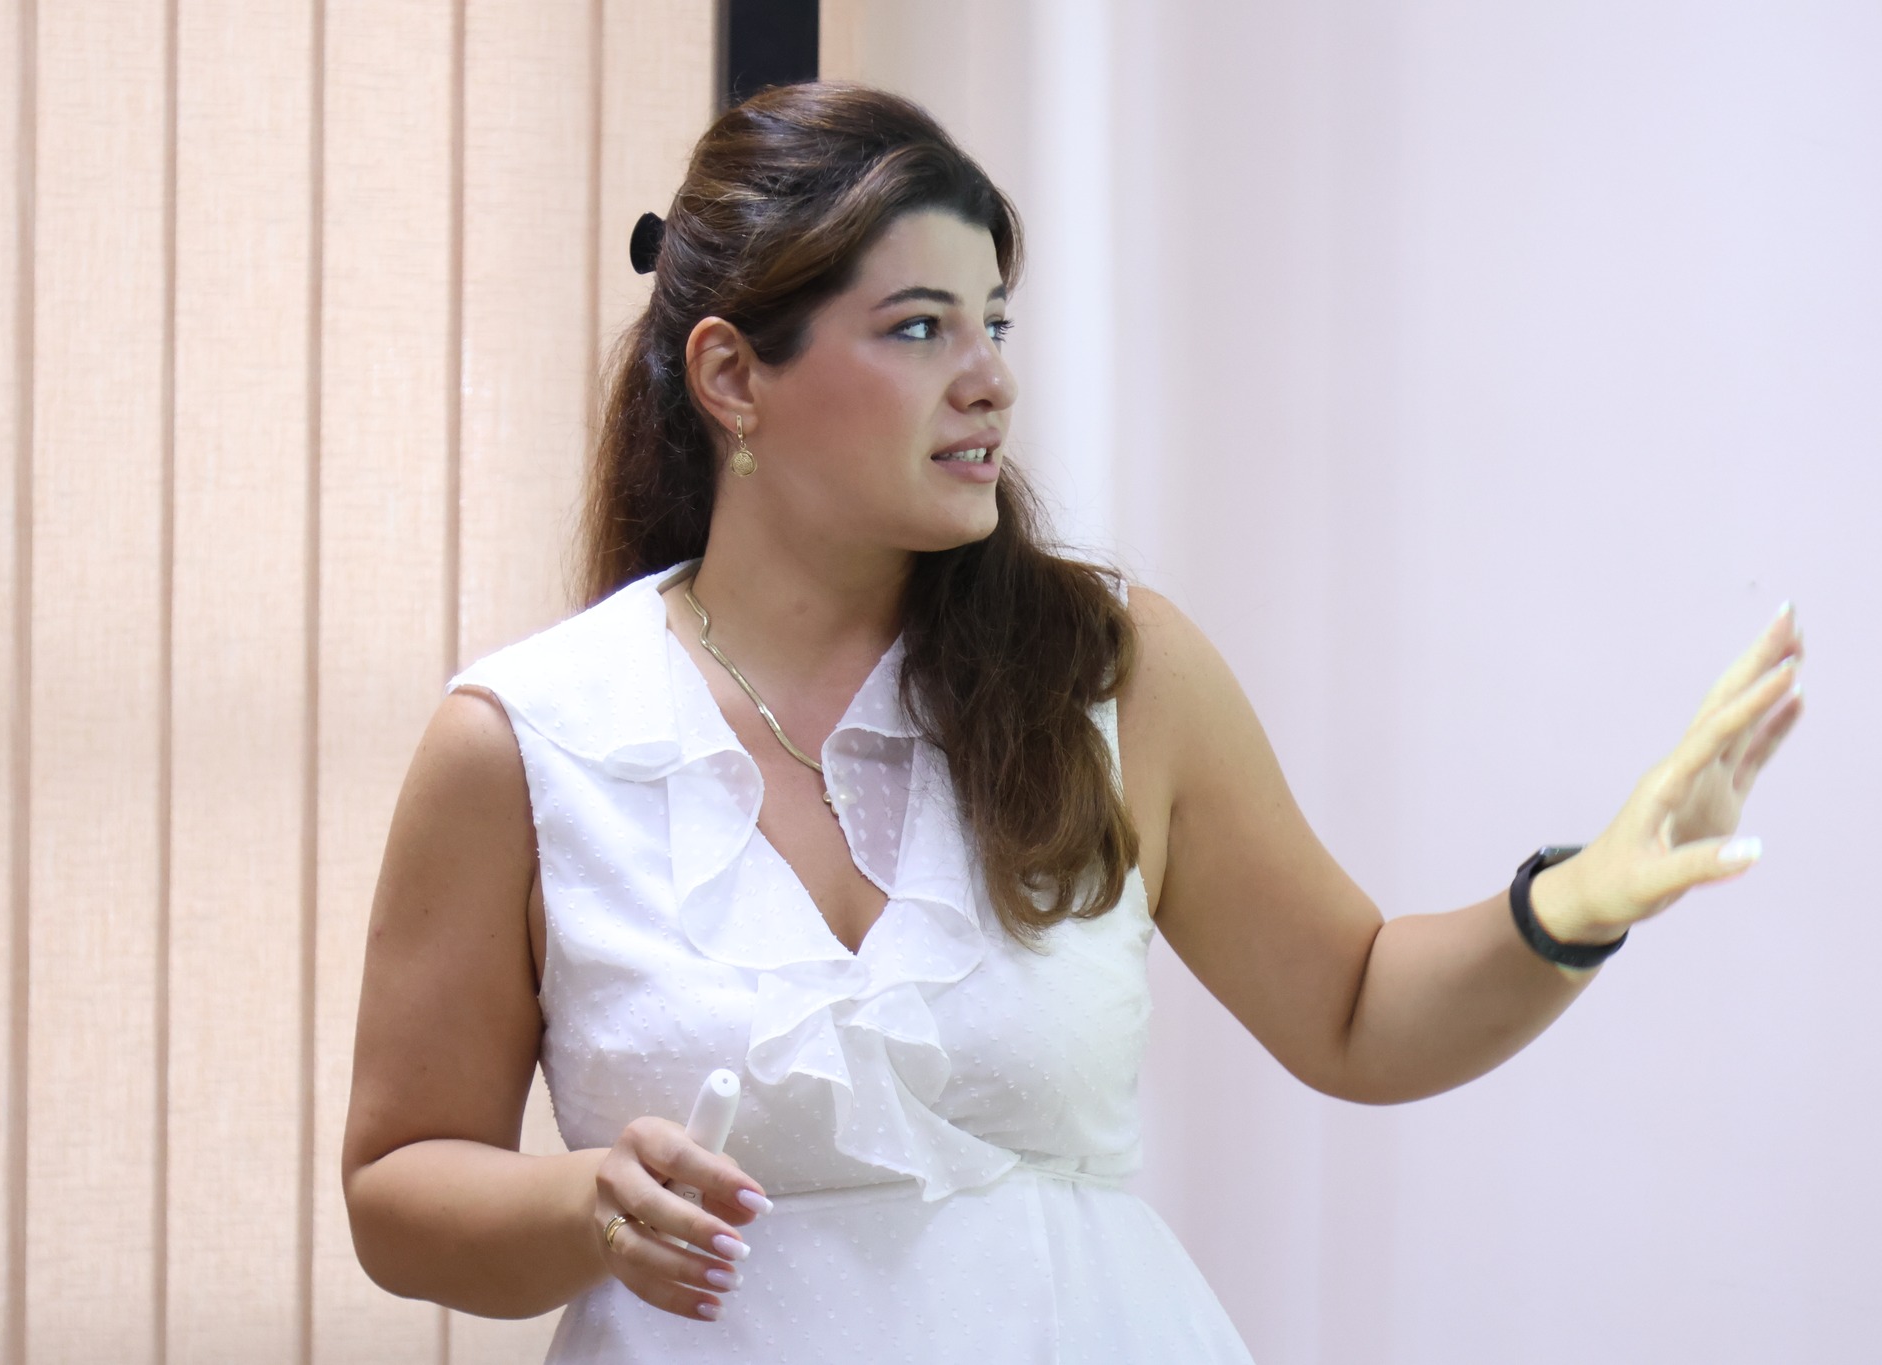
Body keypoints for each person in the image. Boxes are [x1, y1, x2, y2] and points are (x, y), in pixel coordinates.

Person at [339, 82, 1804, 1362]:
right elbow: (399, 1184)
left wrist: (1570, 905)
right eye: (920, 328)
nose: (989, 377)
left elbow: (1357, 1009)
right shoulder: (527, 738)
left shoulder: (1115, 670)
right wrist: (581, 1204)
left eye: (993, 322)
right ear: (732, 377)